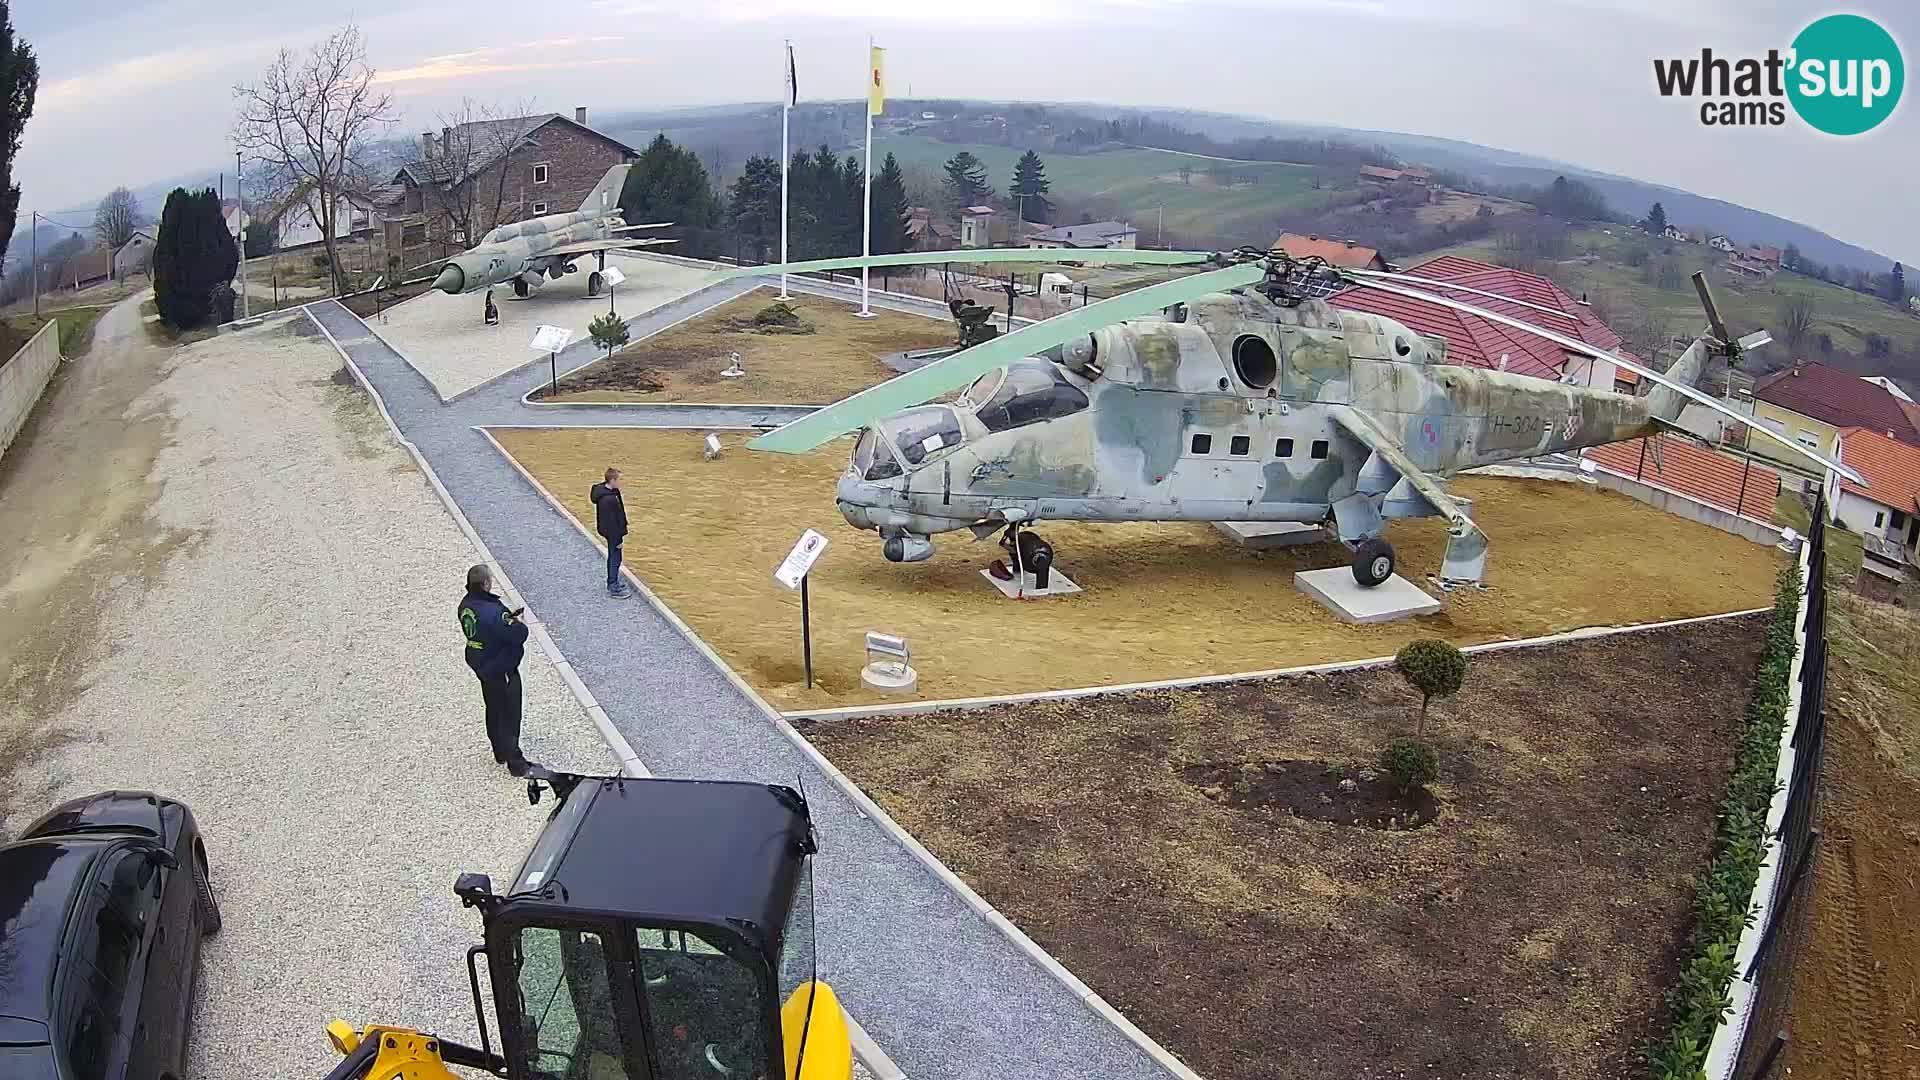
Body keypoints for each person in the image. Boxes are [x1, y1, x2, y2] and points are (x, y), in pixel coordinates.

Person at [458, 564, 529, 774]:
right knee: (509, 713)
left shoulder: (465, 605)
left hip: (481, 662)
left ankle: (499, 751)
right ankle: (515, 760)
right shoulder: (494, 612)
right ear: (486, 584)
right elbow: (518, 635)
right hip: (501, 666)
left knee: (493, 707)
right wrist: (517, 623)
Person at [590, 467, 631, 599]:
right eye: (619, 479)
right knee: (615, 558)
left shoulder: (611, 492)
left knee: (615, 557)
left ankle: (614, 582)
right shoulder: (609, 500)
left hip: (610, 531)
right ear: (612, 480)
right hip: (613, 534)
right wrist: (619, 539)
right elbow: (613, 522)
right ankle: (613, 586)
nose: (620, 482)